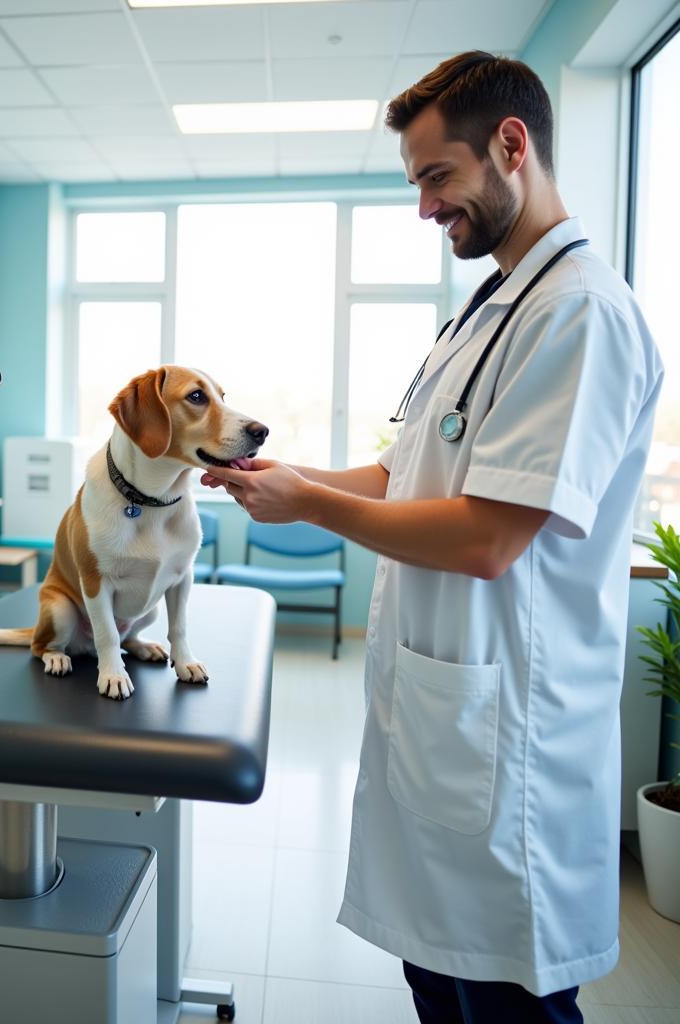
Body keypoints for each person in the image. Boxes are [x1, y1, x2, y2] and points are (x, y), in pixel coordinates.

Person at [201, 51, 663, 1024]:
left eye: (434, 176)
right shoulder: (485, 315)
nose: (423, 207)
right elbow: (404, 474)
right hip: (446, 729)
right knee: (441, 990)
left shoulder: (576, 313)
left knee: (504, 1005)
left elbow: (489, 537)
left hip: (510, 751)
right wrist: (274, 476)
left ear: (509, 145)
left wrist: (308, 507)